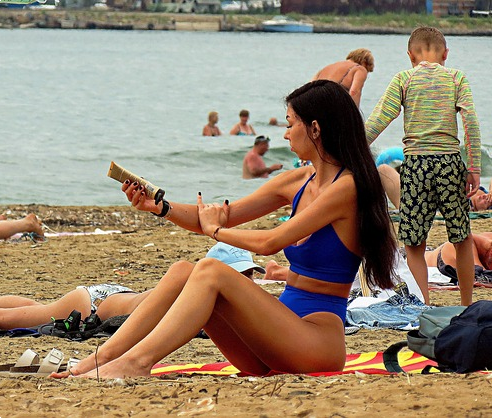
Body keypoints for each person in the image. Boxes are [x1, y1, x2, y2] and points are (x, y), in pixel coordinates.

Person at [51, 80, 397, 379]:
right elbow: (223, 216)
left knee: (211, 271)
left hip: (315, 345)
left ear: (315, 128)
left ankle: (137, 363)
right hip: (269, 342)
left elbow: (270, 241)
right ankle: (102, 358)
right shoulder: (298, 180)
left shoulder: (347, 188)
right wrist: (161, 207)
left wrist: (216, 231)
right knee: (182, 271)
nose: (285, 133)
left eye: (291, 124)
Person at [365, 26, 482, 306]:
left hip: (417, 166)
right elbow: (471, 122)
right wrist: (474, 167)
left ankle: (424, 305)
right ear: (445, 54)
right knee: (462, 238)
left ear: (410, 55)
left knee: (414, 243)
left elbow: (380, 118)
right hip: (450, 163)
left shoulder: (404, 79)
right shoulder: (456, 78)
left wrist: (351, 150)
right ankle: (466, 304)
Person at [0, 242, 264, 331]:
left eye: (250, 274)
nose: (247, 283)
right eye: (241, 275)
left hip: (111, 296)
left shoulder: (207, 296)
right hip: (92, 306)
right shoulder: (195, 293)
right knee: (0, 319)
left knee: (38, 309)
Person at [378, 164, 492, 211]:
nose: (484, 197)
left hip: (412, 205)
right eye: (488, 196)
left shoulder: (468, 207)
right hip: (422, 188)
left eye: (486, 202)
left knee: (383, 170)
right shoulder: (482, 192)